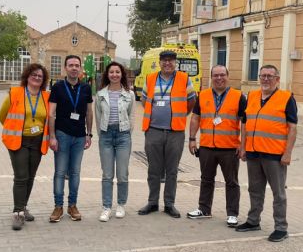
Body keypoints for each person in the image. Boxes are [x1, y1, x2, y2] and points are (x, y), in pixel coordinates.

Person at [235, 64, 298, 242]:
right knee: (255, 190)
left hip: (275, 155)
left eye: (270, 76)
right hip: (254, 152)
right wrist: (243, 147)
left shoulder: (286, 98)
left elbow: (292, 128)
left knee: (278, 193)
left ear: (277, 79)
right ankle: (253, 221)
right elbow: (245, 124)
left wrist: (288, 153)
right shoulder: (252, 96)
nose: (266, 79)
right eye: (263, 76)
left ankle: (281, 228)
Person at [138, 50, 196, 218]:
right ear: (160, 62)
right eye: (164, 60)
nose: (167, 63)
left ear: (175, 62)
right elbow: (144, 100)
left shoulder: (184, 79)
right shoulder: (150, 79)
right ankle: (152, 202)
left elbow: (191, 101)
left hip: (175, 132)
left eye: (171, 60)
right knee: (154, 169)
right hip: (153, 130)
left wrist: (179, 115)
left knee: (172, 170)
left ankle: (169, 204)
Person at [187, 65, 245, 227]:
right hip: (207, 147)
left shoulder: (238, 96)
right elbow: (195, 118)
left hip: (230, 148)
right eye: (215, 76)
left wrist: (243, 145)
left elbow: (244, 123)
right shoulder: (203, 95)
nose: (219, 78)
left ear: (228, 76)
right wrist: (192, 139)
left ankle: (232, 214)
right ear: (211, 77)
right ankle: (204, 209)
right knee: (206, 179)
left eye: (222, 75)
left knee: (232, 182)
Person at [0, 63, 50, 230]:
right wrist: (13, 128)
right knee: (21, 176)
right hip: (18, 141)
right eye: (33, 75)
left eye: (40, 76)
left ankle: (23, 206)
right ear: (27, 76)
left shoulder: (46, 97)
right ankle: (18, 212)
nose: (36, 78)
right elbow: (2, 115)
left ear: (43, 80)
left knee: (30, 176)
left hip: (38, 141)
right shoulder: (15, 93)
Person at [48, 55, 94, 222]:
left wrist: (89, 133)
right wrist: (52, 136)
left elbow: (89, 112)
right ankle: (58, 206)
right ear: (65, 68)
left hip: (80, 136)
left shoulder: (86, 88)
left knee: (75, 172)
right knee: (60, 172)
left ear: (80, 68)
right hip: (62, 135)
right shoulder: (58, 87)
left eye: (77, 65)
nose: (74, 68)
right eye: (71, 65)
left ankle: (72, 205)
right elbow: (51, 113)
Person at [94, 62, 135, 222]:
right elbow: (98, 117)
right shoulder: (100, 94)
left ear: (122, 74)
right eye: (111, 72)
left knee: (122, 174)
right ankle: (106, 207)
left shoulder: (129, 94)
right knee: (107, 174)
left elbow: (131, 116)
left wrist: (127, 133)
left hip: (123, 136)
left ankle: (121, 205)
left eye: (117, 72)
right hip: (106, 136)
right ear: (107, 75)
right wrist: (102, 134)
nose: (115, 75)